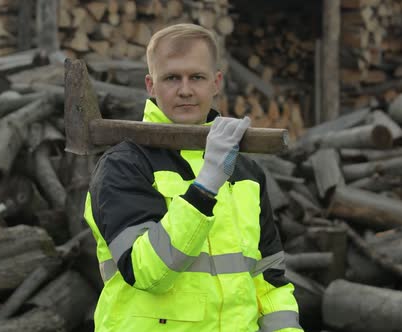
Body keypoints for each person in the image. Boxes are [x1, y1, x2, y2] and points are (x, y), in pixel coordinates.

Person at [83, 23, 302, 332]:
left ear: (216, 83)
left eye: (196, 77)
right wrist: (205, 186)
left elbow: (269, 279)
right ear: (151, 85)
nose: (185, 89)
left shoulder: (246, 173)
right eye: (172, 77)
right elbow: (147, 272)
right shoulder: (124, 165)